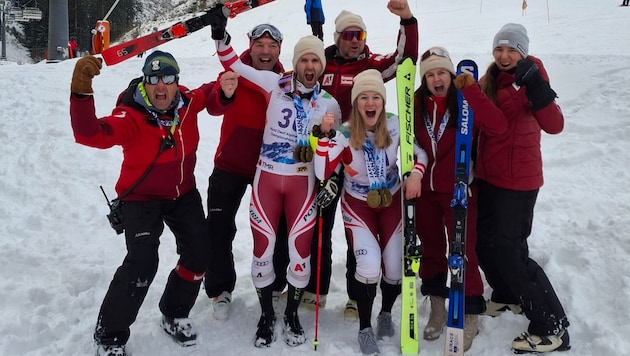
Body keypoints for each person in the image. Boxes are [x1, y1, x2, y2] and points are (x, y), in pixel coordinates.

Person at [69, 51, 232, 356]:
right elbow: (88, 133)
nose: (161, 87)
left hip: (182, 194)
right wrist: (81, 91)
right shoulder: (129, 116)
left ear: (176, 82)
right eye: (153, 79)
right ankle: (109, 337)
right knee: (143, 263)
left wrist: (225, 85)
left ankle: (173, 311)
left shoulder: (187, 102)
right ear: (144, 82)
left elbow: (209, 95)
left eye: (167, 79)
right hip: (141, 199)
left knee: (200, 254)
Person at [210, 10, 342, 347]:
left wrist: (327, 157)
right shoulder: (274, 83)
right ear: (294, 63)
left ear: (321, 66)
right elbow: (233, 64)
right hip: (267, 179)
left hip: (302, 186)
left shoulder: (329, 104)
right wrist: (219, 36)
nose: (309, 67)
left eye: (315, 61)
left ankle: (292, 314)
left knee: (300, 255)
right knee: (261, 253)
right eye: (304, 60)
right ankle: (267, 314)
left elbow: (331, 156)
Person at [302, 0, 419, 320]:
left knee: (358, 232)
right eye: (350, 34)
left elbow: (404, 60)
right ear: (338, 37)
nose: (356, 40)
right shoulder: (324, 64)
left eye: (361, 34)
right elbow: (301, 74)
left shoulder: (371, 66)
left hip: (360, 159)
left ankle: (357, 296)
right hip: (328, 154)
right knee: (319, 225)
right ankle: (316, 289)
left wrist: (407, 21)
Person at [313, 69, 427, 355]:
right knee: (367, 266)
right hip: (358, 203)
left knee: (392, 266)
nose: (369, 102)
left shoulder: (395, 124)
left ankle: (386, 312)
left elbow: (419, 154)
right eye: (363, 97)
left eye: (375, 96)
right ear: (356, 103)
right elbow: (322, 170)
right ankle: (365, 327)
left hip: (391, 200)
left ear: (383, 102)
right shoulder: (345, 133)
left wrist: (416, 174)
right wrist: (324, 139)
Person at [475, 23, 571, 353]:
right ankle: (506, 294)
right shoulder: (490, 79)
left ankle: (550, 323)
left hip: (518, 183)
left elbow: (555, 125)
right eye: (499, 49)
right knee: (482, 243)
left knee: (510, 250)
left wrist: (536, 87)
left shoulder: (532, 77)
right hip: (488, 178)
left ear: (523, 52)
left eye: (511, 50)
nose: (504, 55)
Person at [413, 46, 508, 350]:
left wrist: (473, 93)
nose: (436, 79)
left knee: (463, 252)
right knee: (431, 249)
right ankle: (438, 305)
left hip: (459, 192)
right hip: (426, 192)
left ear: (451, 74)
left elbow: (497, 126)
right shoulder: (416, 105)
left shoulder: (465, 102)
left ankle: (469, 314)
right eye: (430, 74)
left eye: (441, 72)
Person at [203, 23, 290, 321]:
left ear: (279, 49)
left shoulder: (285, 82)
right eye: (260, 45)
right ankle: (220, 290)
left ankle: (277, 287)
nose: (265, 51)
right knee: (218, 226)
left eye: (271, 46)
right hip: (230, 164)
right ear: (250, 46)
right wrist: (225, 93)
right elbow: (214, 106)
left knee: (277, 228)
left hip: (269, 168)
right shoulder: (234, 72)